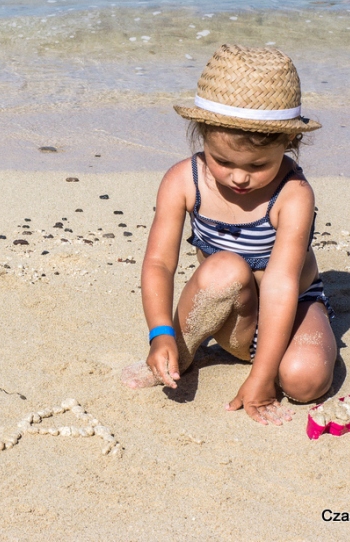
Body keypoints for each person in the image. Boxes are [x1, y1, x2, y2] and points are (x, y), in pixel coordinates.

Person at [121, 44, 336, 426]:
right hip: (234, 321)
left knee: (306, 383)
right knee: (225, 267)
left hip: (291, 310)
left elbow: (282, 285)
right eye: (223, 161)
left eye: (257, 165)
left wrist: (262, 376)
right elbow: (159, 262)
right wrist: (159, 332)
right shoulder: (183, 181)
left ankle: (271, 363)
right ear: (202, 134)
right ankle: (177, 355)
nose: (239, 177)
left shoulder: (293, 194)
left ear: (290, 143)